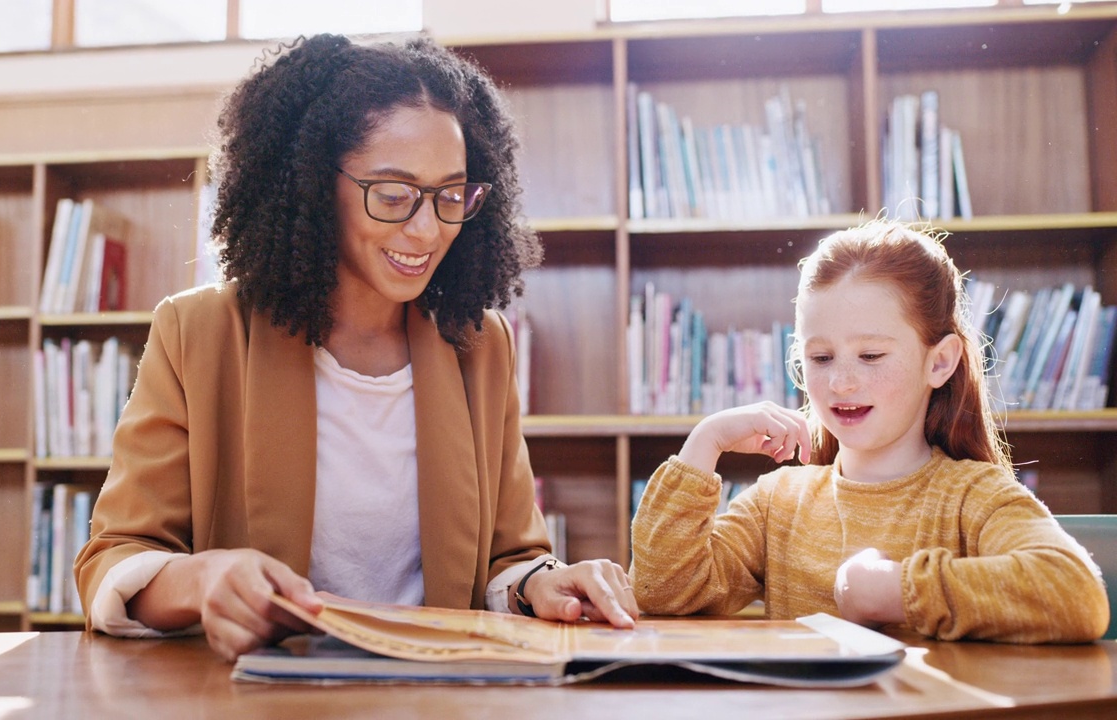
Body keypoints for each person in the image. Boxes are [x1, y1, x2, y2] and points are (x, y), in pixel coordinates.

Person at [74, 33, 637, 662]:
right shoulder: (200, 334)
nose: (426, 229)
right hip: (261, 698)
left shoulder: (478, 345)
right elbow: (114, 560)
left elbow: (509, 558)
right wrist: (204, 579)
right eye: (393, 196)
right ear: (313, 185)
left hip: (436, 695)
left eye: (452, 196)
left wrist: (542, 582)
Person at [631, 220, 1109, 643]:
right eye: (820, 358)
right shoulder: (777, 503)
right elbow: (659, 592)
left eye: (871, 356)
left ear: (939, 361)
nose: (841, 382)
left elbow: (1076, 595)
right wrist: (704, 442)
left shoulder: (973, 496)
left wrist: (893, 591)